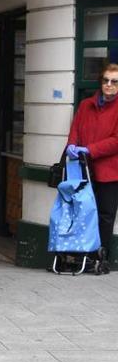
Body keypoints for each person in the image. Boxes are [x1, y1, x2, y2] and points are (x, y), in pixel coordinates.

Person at [66, 63, 118, 274]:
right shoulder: (86, 105)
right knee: (83, 213)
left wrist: (89, 149)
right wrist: (71, 145)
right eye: (106, 80)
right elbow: (75, 129)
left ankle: (101, 257)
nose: (109, 85)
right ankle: (82, 257)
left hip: (109, 171)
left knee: (105, 216)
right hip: (83, 170)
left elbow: (116, 141)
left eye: (114, 82)